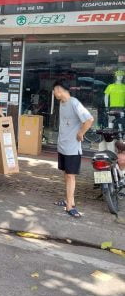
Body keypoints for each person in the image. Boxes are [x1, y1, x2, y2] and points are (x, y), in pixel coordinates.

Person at [53, 81, 94, 218]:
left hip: (72, 147)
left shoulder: (74, 102)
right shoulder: (62, 103)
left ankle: (69, 206)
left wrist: (81, 133)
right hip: (63, 145)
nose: (53, 93)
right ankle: (70, 200)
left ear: (60, 90)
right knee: (66, 174)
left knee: (71, 176)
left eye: (54, 90)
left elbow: (89, 119)